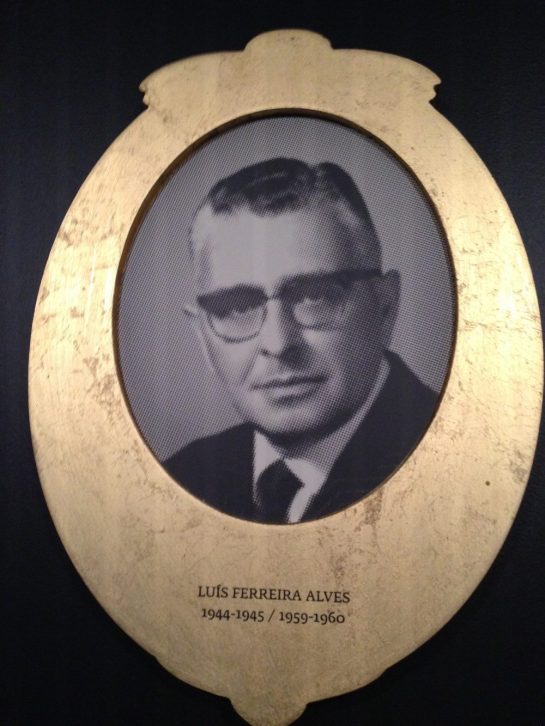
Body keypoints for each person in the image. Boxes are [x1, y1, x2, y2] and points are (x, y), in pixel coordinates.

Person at [164, 158, 438, 524]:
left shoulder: (456, 463)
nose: (278, 344)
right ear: (203, 336)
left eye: (314, 296)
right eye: (238, 307)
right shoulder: (177, 483)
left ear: (385, 308)